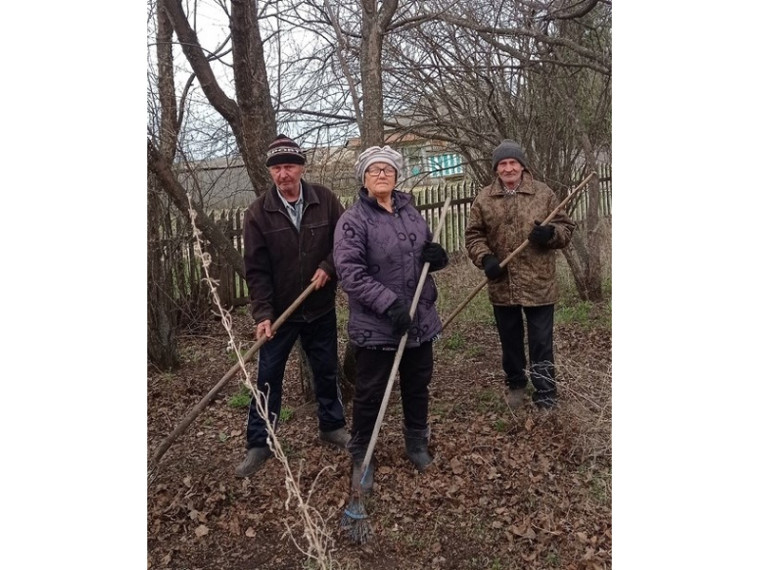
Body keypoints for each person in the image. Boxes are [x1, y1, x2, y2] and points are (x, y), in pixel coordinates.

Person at [333, 145, 449, 491]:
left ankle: (416, 442)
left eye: (387, 170)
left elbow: (426, 255)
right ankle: (361, 455)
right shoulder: (353, 220)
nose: (381, 174)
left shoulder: (411, 213)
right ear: (364, 179)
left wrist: (437, 256)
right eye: (374, 170)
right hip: (377, 326)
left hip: (420, 320)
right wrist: (389, 304)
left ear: (397, 176)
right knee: (370, 393)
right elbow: (349, 273)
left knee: (418, 385)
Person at [236, 133, 350, 478]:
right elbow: (256, 271)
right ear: (270, 173)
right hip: (281, 314)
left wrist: (329, 267)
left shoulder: (326, 201)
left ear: (301, 168)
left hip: (319, 307)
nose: (283, 174)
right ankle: (260, 443)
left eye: (289, 166)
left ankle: (332, 427)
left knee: (326, 370)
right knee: (267, 377)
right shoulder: (258, 213)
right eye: (277, 169)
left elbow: (345, 241)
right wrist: (264, 314)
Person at [464, 139, 576, 410]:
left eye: (513, 162)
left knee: (540, 342)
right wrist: (485, 257)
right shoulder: (484, 198)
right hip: (503, 283)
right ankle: (515, 384)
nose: (508, 168)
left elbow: (566, 228)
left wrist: (550, 235)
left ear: (522, 166)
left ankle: (546, 392)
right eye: (502, 164)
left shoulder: (543, 194)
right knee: (510, 341)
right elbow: (473, 235)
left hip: (539, 283)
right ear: (496, 169)